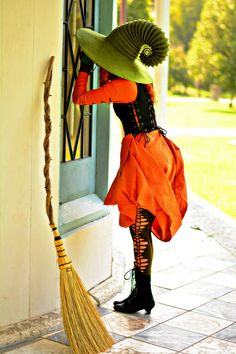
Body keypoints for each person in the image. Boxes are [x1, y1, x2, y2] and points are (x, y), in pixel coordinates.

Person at [72, 20, 187, 315]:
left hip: (143, 156)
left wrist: (85, 69)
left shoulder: (123, 86)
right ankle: (142, 292)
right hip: (154, 148)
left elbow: (79, 99)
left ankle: (143, 294)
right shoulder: (138, 83)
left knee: (139, 225)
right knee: (141, 225)